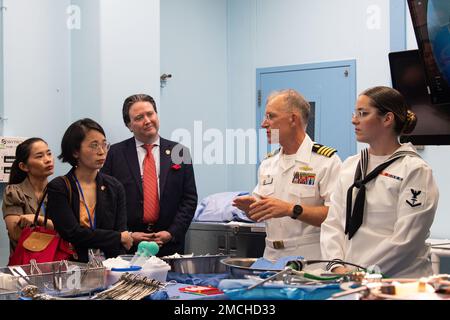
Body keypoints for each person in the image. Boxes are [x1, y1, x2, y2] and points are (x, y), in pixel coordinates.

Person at [320, 86, 439, 278]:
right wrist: (336, 266)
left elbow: (407, 239)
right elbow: (333, 223)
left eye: (363, 113)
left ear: (387, 119)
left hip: (397, 281)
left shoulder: (414, 170)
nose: (354, 120)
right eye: (355, 113)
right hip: (349, 279)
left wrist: (363, 273)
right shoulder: (351, 165)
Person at [233, 89, 342, 261]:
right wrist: (250, 210)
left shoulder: (326, 161)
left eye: (271, 116)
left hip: (311, 260)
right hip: (270, 257)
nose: (263, 124)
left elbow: (337, 216)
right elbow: (261, 213)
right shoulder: (268, 164)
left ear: (293, 119)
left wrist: (291, 209)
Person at [102, 94, 197, 256]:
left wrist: (172, 233)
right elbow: (106, 201)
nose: (147, 120)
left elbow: (189, 199)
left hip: (169, 246)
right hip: (128, 246)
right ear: (129, 125)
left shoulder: (179, 151)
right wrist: (126, 234)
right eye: (139, 117)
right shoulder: (114, 154)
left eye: (150, 114)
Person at [47, 118, 133, 262]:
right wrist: (117, 237)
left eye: (104, 145)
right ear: (75, 152)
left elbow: (122, 236)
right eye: (94, 145)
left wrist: (119, 238)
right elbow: (72, 233)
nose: (101, 152)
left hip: (109, 266)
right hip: (73, 267)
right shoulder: (59, 187)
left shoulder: (114, 186)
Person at [2, 138, 54, 255]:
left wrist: (38, 220)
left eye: (49, 154)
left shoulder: (59, 190)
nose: (48, 159)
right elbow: (16, 234)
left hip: (57, 262)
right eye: (39, 156)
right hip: (26, 265)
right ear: (24, 166)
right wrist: (53, 227)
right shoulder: (14, 192)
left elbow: (70, 231)